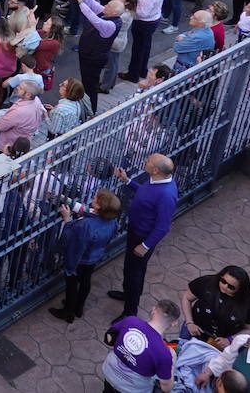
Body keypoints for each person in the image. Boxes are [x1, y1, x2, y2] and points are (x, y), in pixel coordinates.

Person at [109, 154, 177, 317]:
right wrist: (127, 181)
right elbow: (144, 192)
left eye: (148, 161)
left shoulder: (166, 195)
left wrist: (145, 245)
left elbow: (163, 227)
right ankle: (129, 295)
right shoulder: (156, 181)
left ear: (155, 170)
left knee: (134, 273)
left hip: (142, 237)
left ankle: (130, 311)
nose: (144, 161)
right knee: (133, 270)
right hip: (136, 232)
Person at [48, 189, 123, 323]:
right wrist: (64, 198)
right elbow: (85, 210)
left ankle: (68, 312)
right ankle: (79, 307)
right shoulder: (111, 221)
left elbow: (71, 238)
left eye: (95, 199)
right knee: (85, 281)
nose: (93, 198)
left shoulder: (86, 225)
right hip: (93, 257)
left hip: (79, 260)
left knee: (71, 284)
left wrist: (67, 220)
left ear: (99, 206)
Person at [102, 300, 178, 393]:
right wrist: (172, 364)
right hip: (131, 389)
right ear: (174, 323)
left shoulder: (131, 320)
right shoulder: (164, 354)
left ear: (153, 310)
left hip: (109, 372)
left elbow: (109, 337)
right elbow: (166, 388)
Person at [180, 266, 250, 342]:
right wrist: (189, 322)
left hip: (221, 342)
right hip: (194, 328)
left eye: (231, 287)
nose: (225, 286)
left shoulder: (249, 304)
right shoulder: (207, 283)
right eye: (223, 281)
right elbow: (187, 298)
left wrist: (230, 340)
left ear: (240, 289)